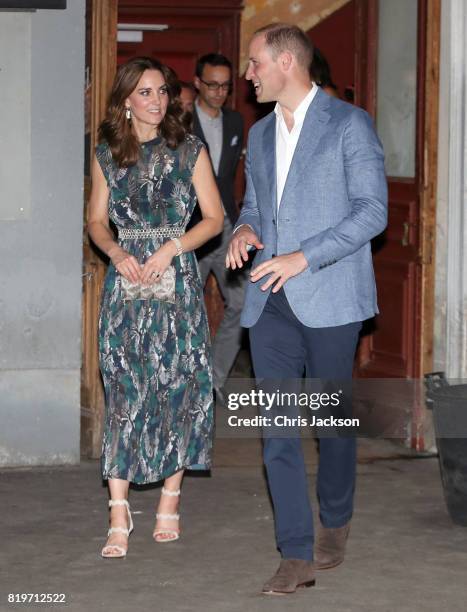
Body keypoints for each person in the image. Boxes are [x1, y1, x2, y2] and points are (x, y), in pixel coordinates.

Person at [227, 23, 387, 595]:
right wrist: (245, 230)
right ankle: (295, 552)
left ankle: (336, 516)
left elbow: (372, 212)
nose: (248, 76)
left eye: (254, 64)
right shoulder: (263, 134)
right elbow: (253, 204)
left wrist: (303, 256)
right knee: (277, 427)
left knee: (330, 421)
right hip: (270, 300)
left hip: (330, 295)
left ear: (287, 62)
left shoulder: (348, 124)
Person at [87, 56, 224, 558]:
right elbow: (96, 221)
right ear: (126, 100)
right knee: (125, 388)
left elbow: (214, 218)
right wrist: (119, 251)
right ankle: (118, 512)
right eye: (145, 92)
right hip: (125, 285)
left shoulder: (188, 151)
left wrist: (171, 247)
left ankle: (170, 498)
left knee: (178, 387)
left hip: (177, 282)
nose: (157, 101)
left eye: (162, 91)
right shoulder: (107, 154)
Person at [191, 53, 245, 402]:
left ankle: (214, 379)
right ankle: (188, 380)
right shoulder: (178, 121)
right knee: (185, 308)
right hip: (190, 229)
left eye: (225, 85)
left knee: (243, 303)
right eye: (212, 84)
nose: (219, 91)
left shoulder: (237, 122)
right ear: (197, 83)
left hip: (226, 226)